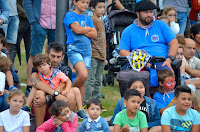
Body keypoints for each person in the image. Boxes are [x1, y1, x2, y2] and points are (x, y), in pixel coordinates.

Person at [27, 42, 86, 127]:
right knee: (39, 93)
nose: (55, 60)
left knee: (71, 95)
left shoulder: (65, 69)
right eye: (53, 56)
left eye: (58, 57)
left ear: (62, 57)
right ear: (47, 54)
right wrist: (54, 94)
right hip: (42, 103)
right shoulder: (39, 66)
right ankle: (39, 128)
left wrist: (47, 98)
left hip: (58, 101)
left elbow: (63, 86)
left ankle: (67, 126)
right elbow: (36, 83)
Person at [119, 0, 178, 72]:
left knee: (167, 77)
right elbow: (122, 51)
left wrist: (169, 59)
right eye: (146, 12)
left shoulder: (161, 25)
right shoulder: (128, 30)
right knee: (131, 77)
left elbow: (174, 42)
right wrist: (141, 59)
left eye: (151, 12)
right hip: (138, 63)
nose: (149, 15)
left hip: (161, 62)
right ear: (137, 13)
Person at [63, 0, 97, 102]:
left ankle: (79, 108)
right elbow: (76, 31)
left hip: (87, 50)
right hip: (74, 49)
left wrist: (82, 29)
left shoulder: (88, 17)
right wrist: (88, 29)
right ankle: (68, 90)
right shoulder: (70, 15)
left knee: (83, 80)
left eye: (87, 2)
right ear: (75, 2)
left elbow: (95, 35)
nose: (85, 5)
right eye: (83, 2)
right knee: (83, 75)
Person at [23, 0, 57, 95]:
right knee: (34, 54)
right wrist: (33, 21)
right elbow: (27, 2)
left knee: (54, 56)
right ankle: (29, 85)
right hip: (40, 23)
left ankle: (51, 83)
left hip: (56, 24)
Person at [84, 0, 107, 105]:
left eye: (103, 7)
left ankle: (97, 102)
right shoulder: (92, 21)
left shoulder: (101, 21)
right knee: (91, 80)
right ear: (92, 8)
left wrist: (104, 56)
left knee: (99, 80)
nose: (102, 9)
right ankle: (87, 102)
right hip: (93, 55)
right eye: (99, 7)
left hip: (101, 56)